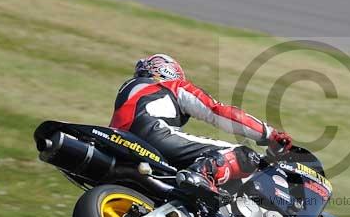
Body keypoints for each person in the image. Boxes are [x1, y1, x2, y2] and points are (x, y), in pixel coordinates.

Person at [110, 53, 292, 194]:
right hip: (154, 134)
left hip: (123, 145)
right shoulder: (173, 86)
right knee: (245, 155)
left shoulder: (130, 89)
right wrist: (269, 134)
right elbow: (217, 112)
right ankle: (200, 176)